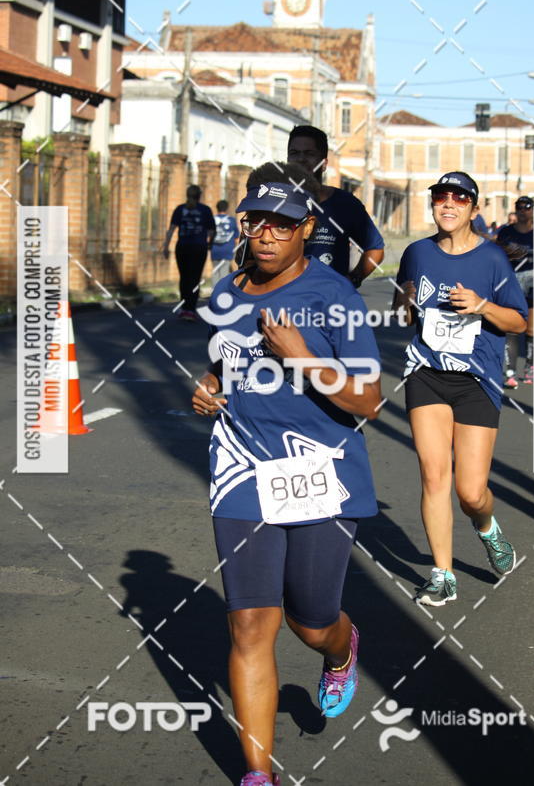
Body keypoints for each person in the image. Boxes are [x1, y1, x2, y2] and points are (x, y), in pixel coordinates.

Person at [192, 162, 381, 786]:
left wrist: (302, 358)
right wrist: (209, 386)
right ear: (244, 225)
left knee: (311, 621)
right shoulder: (227, 292)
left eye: (282, 224)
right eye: (258, 223)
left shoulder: (335, 296)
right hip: (241, 471)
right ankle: (258, 775)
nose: (267, 235)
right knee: (250, 624)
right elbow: (222, 361)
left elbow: (370, 401)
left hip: (320, 472)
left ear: (305, 229)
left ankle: (340, 650)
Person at [393, 171, 528, 606]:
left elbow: (519, 322)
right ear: (433, 204)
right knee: (434, 476)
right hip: (426, 373)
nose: (448, 204)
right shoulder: (416, 253)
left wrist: (482, 306)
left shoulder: (492, 260)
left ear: (474, 208)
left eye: (459, 198)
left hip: (476, 380)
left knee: (471, 492)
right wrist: (403, 303)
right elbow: (402, 311)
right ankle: (443, 574)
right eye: (440, 197)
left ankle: (487, 527)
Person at [287, 124, 384, 286]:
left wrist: (352, 280)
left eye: (309, 154)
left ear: (324, 163)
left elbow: (375, 250)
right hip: (283, 297)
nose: (301, 159)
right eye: (294, 153)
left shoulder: (345, 204)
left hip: (329, 299)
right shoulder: (274, 201)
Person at [496, 196, 534, 386]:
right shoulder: (506, 232)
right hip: (512, 282)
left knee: (531, 328)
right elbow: (496, 256)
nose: (522, 210)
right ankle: (510, 372)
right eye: (519, 207)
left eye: (526, 207)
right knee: (511, 327)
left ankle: (529, 367)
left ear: (533, 210)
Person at [163, 185, 216, 319]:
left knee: (184, 278)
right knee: (195, 278)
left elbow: (171, 230)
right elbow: (212, 231)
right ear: (199, 196)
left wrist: (166, 247)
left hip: (182, 247)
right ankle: (191, 310)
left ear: (187, 195)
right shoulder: (205, 210)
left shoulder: (180, 209)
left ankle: (184, 308)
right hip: (199, 248)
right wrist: (209, 244)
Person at [211, 199, 239, 287]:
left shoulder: (212, 220)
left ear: (217, 208)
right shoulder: (231, 220)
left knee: (215, 271)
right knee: (224, 272)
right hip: (227, 249)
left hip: (214, 249)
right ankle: (222, 290)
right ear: (227, 208)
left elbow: (208, 235)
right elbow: (236, 236)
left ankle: (215, 290)